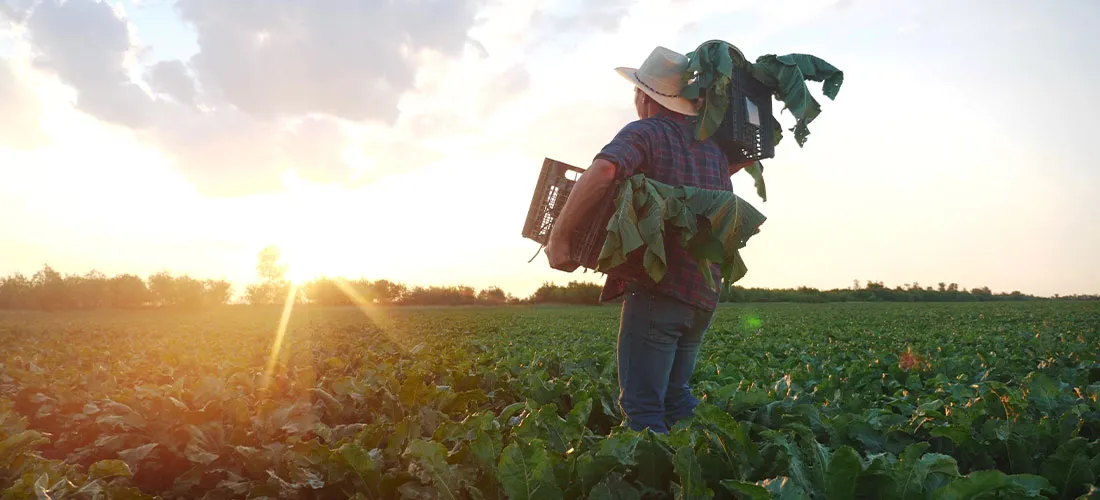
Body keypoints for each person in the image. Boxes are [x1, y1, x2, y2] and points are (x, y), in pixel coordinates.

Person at [547, 46, 753, 433]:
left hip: (661, 288)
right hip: (703, 293)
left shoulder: (647, 130)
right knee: (676, 399)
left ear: (645, 96)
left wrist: (559, 236)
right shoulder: (710, 148)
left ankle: (655, 488)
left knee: (643, 410)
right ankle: (695, 476)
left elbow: (605, 171)